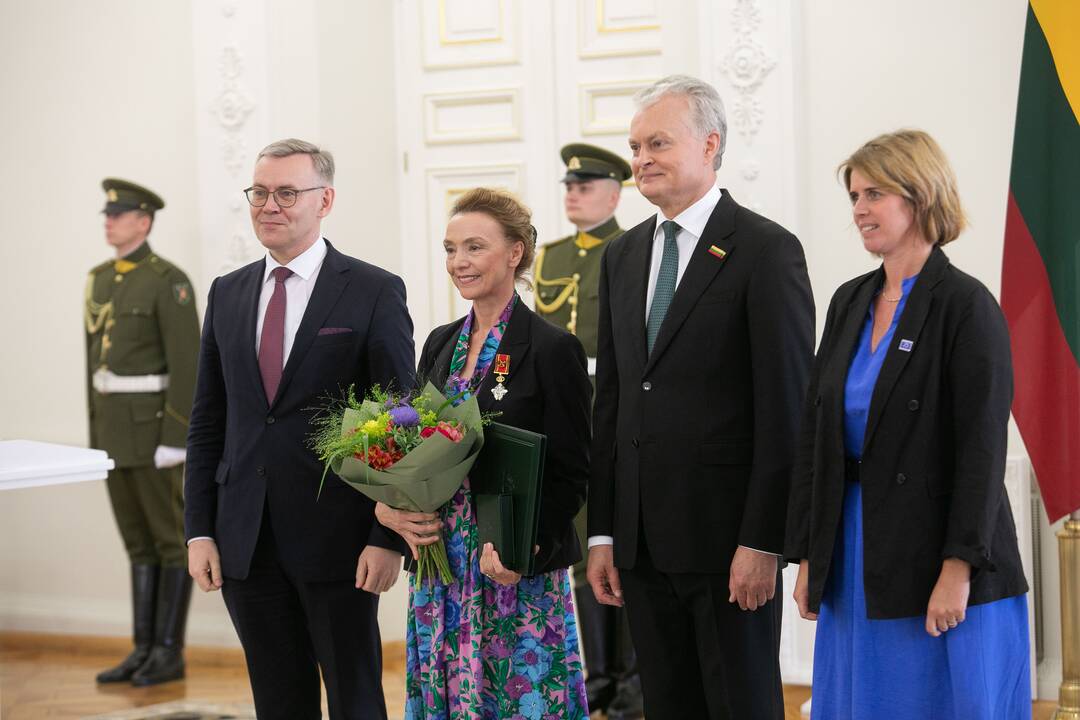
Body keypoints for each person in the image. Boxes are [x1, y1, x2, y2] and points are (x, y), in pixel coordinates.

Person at [586, 75, 815, 719]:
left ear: (710, 143)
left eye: (657, 142)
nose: (641, 160)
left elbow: (786, 408)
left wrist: (764, 539)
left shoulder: (766, 249)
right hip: (641, 545)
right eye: (634, 146)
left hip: (728, 546)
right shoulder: (624, 255)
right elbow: (614, 402)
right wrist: (603, 531)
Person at [784, 129, 1031, 719]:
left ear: (919, 197)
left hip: (939, 550)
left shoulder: (966, 306)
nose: (860, 211)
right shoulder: (850, 300)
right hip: (856, 547)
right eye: (853, 196)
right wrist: (811, 555)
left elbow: (980, 451)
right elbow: (816, 438)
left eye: (874, 194)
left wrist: (957, 569)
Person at [184, 138, 414, 720]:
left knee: (355, 698)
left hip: (340, 542)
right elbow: (209, 421)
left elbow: (400, 422)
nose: (270, 205)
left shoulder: (371, 289)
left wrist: (387, 538)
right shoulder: (228, 292)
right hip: (244, 541)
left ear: (325, 200)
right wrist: (199, 530)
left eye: (288, 192)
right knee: (278, 702)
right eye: (259, 192)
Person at [375, 187, 592, 719]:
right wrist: (391, 508)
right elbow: (411, 446)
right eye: (450, 249)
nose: (458, 262)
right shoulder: (441, 342)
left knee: (518, 697)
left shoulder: (552, 347)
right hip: (441, 556)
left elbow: (572, 469)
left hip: (510, 559)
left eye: (474, 247)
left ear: (515, 252)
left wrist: (527, 550)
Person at [534, 142, 642, 719]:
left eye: (586, 185)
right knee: (579, 550)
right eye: (569, 186)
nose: (573, 193)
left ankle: (630, 685)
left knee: (622, 545)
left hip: (616, 410)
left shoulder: (631, 250)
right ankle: (596, 680)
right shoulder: (548, 256)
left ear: (613, 192)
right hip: (563, 414)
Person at [87, 178, 200, 686]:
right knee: (136, 542)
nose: (109, 220)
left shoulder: (167, 280)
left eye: (119, 213)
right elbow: (94, 365)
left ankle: (169, 652)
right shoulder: (99, 280)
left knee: (168, 540)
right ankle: (143, 650)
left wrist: (176, 439)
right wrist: (96, 432)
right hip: (113, 433)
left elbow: (187, 363)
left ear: (143, 220)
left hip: (155, 434)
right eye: (108, 214)